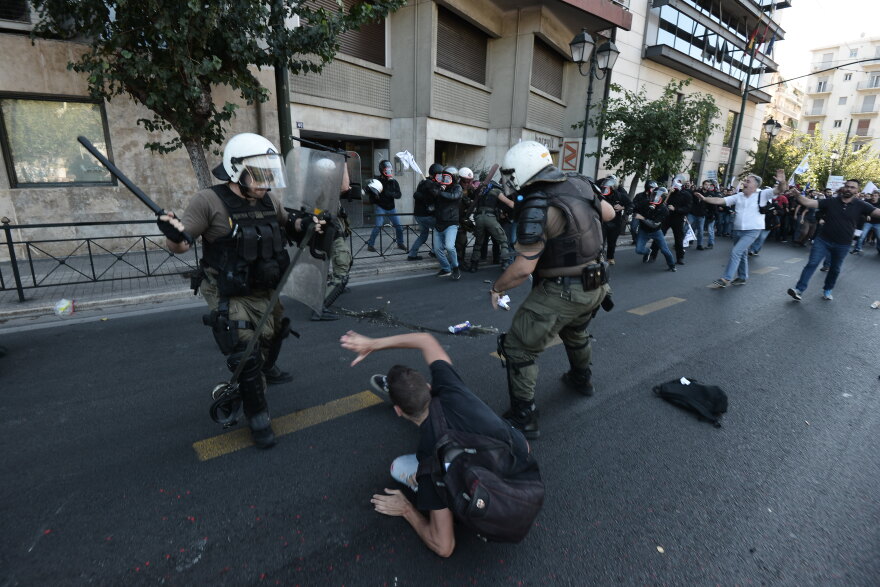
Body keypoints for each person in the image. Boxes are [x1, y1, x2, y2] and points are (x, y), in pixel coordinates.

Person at [157, 132, 325, 448]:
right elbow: (180, 244)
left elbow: (289, 224)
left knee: (276, 332)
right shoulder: (208, 201)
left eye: (270, 173)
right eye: (260, 174)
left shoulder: (267, 199)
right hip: (228, 290)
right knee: (244, 351)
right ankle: (257, 415)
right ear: (236, 170)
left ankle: (269, 368)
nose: (266, 182)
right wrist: (172, 233)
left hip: (265, 287)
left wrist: (310, 224)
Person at [339, 330, 531, 558]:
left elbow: (444, 547)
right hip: (522, 477)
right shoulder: (452, 388)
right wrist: (373, 342)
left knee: (399, 467)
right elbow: (425, 340)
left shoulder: (430, 460)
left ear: (398, 411)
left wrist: (407, 509)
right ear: (430, 388)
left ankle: (445, 494)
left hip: (494, 513)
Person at [489, 141, 614, 439]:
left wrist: (496, 287)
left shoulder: (539, 201)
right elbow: (608, 214)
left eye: (511, 173)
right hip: (596, 284)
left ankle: (524, 418)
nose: (508, 180)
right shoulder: (579, 184)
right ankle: (581, 379)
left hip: (564, 289)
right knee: (575, 332)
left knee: (518, 347)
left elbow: (523, 268)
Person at [787, 178, 879, 301]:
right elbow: (809, 203)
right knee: (812, 263)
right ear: (843, 187)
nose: (849, 189)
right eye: (847, 186)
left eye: (852, 187)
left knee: (835, 269)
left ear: (857, 190)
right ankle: (799, 289)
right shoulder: (831, 201)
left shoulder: (861, 205)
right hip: (823, 240)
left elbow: (877, 212)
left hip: (843, 244)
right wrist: (798, 195)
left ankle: (828, 289)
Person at [697, 172, 782, 288]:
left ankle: (726, 278)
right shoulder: (739, 196)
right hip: (738, 230)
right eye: (745, 181)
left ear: (755, 185)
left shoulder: (762, 194)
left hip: (753, 230)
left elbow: (779, 190)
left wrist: (782, 182)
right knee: (741, 253)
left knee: (736, 252)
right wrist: (704, 198)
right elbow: (720, 200)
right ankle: (742, 277)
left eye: (748, 181)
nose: (744, 183)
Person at [466, 176, 514, 273]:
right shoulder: (496, 191)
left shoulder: (480, 192)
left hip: (478, 218)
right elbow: (509, 203)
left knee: (478, 243)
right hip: (490, 218)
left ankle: (473, 265)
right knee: (503, 241)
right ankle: (505, 263)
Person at [633, 187, 677, 272]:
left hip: (656, 231)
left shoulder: (664, 210)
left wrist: (642, 218)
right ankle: (648, 251)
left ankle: (672, 265)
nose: (655, 197)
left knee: (665, 250)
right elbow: (635, 207)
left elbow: (654, 225)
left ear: (663, 198)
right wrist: (629, 208)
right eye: (654, 195)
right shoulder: (645, 203)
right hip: (644, 230)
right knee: (639, 250)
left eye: (658, 196)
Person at [366, 160, 405, 253]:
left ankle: (400, 243)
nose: (389, 173)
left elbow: (399, 195)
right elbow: (370, 193)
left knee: (399, 227)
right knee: (378, 226)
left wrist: (390, 194)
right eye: (387, 171)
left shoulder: (394, 182)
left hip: (391, 208)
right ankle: (370, 244)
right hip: (381, 207)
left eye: (390, 171)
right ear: (382, 171)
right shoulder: (377, 181)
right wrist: (370, 191)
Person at [432, 166, 463, 279]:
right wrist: (434, 188)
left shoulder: (457, 188)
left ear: (453, 178)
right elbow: (431, 195)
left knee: (450, 247)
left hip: (451, 223)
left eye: (447, 177)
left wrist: (440, 192)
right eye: (443, 177)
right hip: (439, 222)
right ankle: (446, 268)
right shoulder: (440, 187)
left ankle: (455, 267)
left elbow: (454, 197)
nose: (444, 179)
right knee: (437, 249)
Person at [650, 179, 691, 265]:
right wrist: (668, 194)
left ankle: (680, 257)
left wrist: (676, 209)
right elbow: (661, 203)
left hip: (678, 218)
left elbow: (687, 208)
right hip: (666, 218)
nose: (676, 184)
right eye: (674, 182)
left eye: (679, 182)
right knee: (659, 236)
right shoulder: (668, 192)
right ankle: (652, 255)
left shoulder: (686, 194)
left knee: (679, 238)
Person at [408, 163, 443, 261]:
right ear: (435, 174)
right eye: (439, 174)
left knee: (423, 235)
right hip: (426, 215)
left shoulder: (424, 182)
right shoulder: (429, 184)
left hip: (418, 215)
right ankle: (434, 251)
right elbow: (434, 197)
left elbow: (417, 194)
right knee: (439, 230)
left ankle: (412, 254)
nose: (441, 177)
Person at [599, 175, 632, 265]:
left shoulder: (620, 195)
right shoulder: (600, 194)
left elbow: (631, 205)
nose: (605, 190)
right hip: (603, 221)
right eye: (604, 187)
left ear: (613, 188)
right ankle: (600, 257)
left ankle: (610, 258)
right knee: (601, 241)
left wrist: (623, 207)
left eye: (608, 187)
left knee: (612, 242)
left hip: (615, 222)